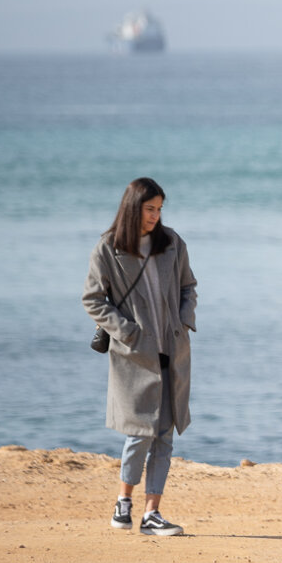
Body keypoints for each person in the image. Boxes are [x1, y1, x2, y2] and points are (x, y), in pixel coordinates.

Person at [83, 177, 197, 536]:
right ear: (133, 207)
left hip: (171, 351)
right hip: (135, 354)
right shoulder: (108, 248)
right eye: (150, 209)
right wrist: (127, 331)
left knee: (164, 434)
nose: (155, 216)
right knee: (139, 432)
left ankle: (152, 514)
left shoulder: (172, 243)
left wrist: (184, 321)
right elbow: (92, 299)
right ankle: (123, 503)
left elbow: (188, 286)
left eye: (160, 209)